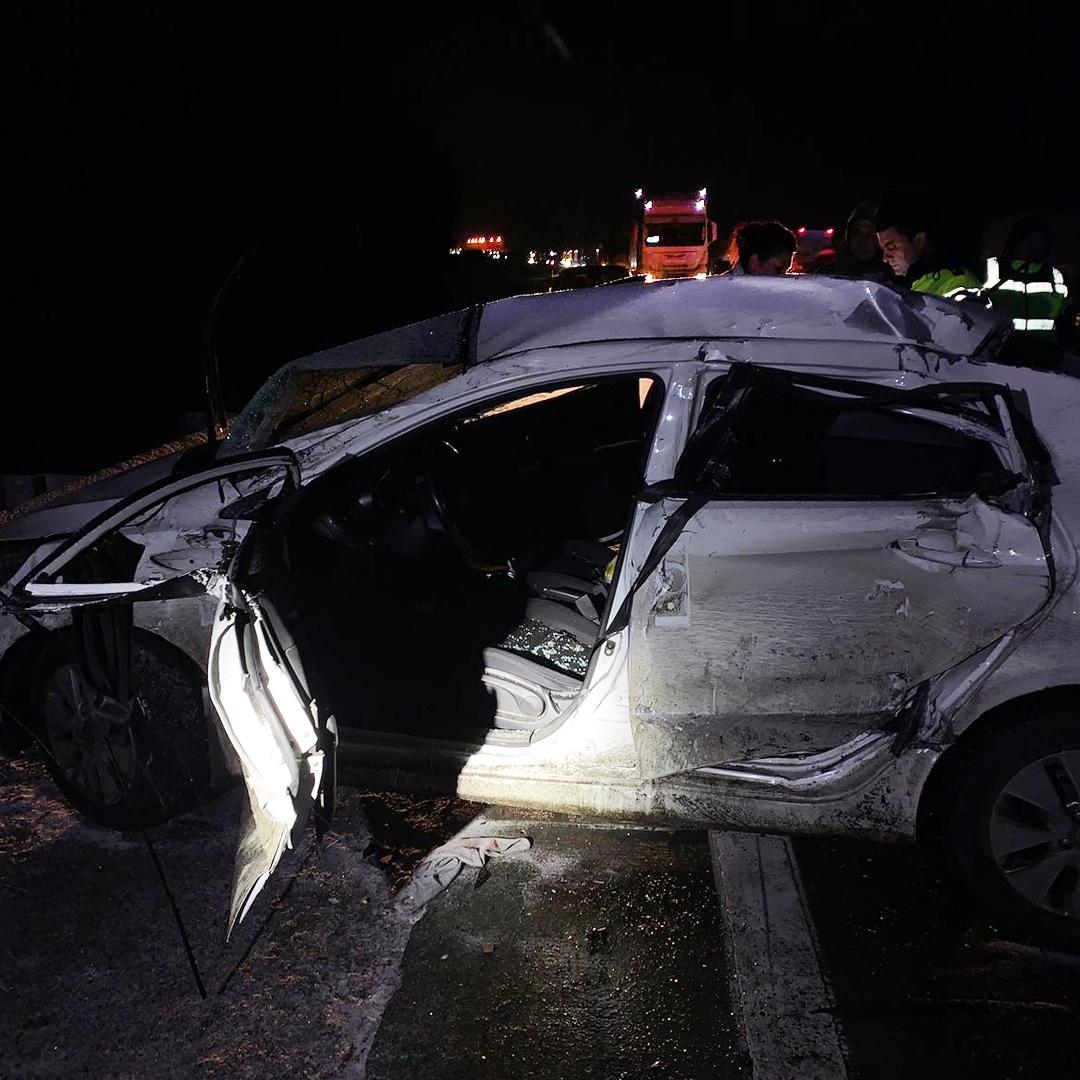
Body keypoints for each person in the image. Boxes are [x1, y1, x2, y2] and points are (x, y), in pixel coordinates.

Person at [981, 215, 1069, 370]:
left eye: (1039, 241)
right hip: (1000, 350)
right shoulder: (991, 268)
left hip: (1046, 355)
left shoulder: (1056, 276)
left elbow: (1066, 316)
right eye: (1028, 240)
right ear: (1016, 241)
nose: (1033, 246)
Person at [874, 189, 982, 297]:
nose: (885, 258)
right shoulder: (896, 285)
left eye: (891, 247)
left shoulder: (958, 284)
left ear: (919, 241)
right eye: (882, 249)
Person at [816, 200, 887, 280]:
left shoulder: (892, 277)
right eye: (857, 234)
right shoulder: (827, 276)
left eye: (870, 236)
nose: (863, 242)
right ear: (848, 236)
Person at [722, 221, 796, 276]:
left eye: (786, 271)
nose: (784, 277)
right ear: (754, 264)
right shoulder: (721, 291)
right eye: (777, 269)